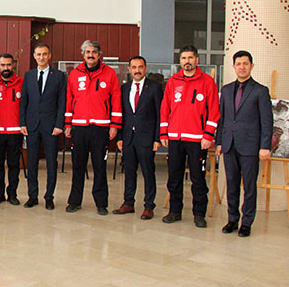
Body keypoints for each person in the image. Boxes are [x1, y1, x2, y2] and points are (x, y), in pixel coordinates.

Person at [160, 44, 220, 228]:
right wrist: (164, 132)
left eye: (191, 58)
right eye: (184, 58)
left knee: (198, 178)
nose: (187, 61)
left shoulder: (207, 82)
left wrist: (208, 135)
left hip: (197, 140)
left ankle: (199, 214)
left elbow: (214, 111)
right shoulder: (172, 82)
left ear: (197, 60)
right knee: (174, 177)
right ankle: (175, 211)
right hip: (175, 138)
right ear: (180, 61)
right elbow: (165, 108)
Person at [216, 50, 272, 237]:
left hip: (250, 146)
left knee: (249, 186)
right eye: (238, 64)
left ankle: (246, 222)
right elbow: (222, 118)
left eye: (245, 63)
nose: (242, 67)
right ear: (233, 67)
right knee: (231, 184)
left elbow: (266, 121)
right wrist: (219, 142)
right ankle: (232, 219)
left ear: (251, 66)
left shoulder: (260, 91)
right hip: (229, 144)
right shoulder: (226, 89)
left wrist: (265, 146)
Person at [64, 40, 122, 215]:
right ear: (83, 55)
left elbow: (116, 101)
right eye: (87, 52)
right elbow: (69, 100)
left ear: (99, 54)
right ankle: (74, 201)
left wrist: (114, 125)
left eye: (94, 52)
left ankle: (101, 203)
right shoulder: (74, 74)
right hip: (79, 128)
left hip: (100, 128)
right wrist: (67, 124)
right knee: (78, 166)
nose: (91, 55)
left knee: (100, 167)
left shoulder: (110, 74)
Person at [114, 56, 163, 219]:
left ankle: (149, 206)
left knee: (148, 172)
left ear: (145, 68)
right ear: (129, 69)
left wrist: (157, 138)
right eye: (134, 67)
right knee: (129, 171)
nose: (137, 70)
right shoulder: (125, 88)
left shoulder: (154, 88)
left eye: (140, 67)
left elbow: (159, 114)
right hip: (128, 137)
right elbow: (121, 114)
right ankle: (128, 203)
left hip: (147, 138)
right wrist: (120, 137)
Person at [19, 43, 66, 210]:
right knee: (31, 162)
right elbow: (24, 101)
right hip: (31, 125)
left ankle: (49, 196)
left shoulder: (59, 76)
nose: (41, 57)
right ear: (34, 56)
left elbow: (62, 102)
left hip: (51, 126)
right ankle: (32, 196)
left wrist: (59, 124)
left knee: (51, 163)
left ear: (49, 55)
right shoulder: (29, 75)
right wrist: (22, 123)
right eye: (38, 54)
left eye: (44, 54)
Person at [0, 53, 23, 205]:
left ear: (13, 65)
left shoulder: (21, 83)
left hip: (16, 132)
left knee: (14, 165)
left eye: (8, 65)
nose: (6, 68)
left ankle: (12, 194)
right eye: (3, 65)